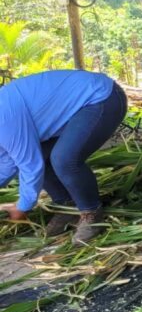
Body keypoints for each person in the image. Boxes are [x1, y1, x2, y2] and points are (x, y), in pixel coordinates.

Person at [1, 70, 127, 244]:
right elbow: (8, 162)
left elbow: (30, 164)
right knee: (46, 158)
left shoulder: (3, 118)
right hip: (79, 110)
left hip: (101, 98)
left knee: (64, 159)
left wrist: (23, 205)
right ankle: (67, 207)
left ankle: (92, 214)